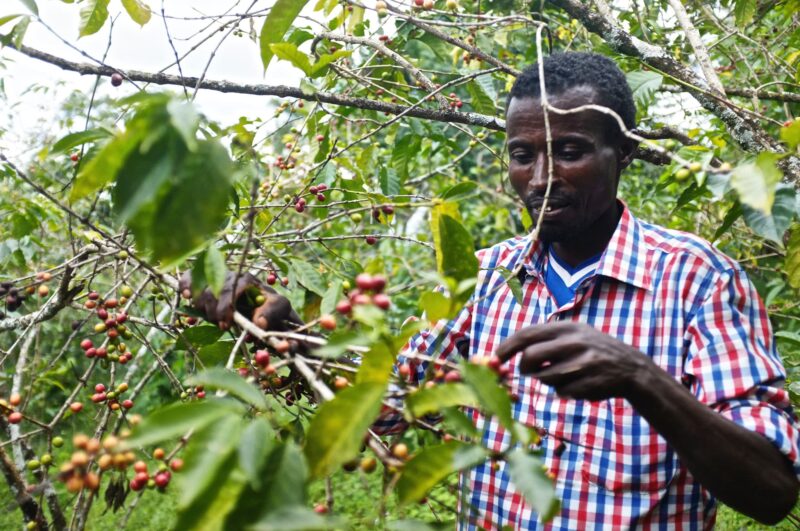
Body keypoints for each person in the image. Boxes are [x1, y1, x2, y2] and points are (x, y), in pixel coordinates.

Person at [185, 52, 800, 529]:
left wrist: (643, 379)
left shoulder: (698, 279)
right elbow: (381, 412)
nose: (541, 178)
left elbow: (771, 491)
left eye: (572, 151)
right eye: (521, 153)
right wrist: (280, 330)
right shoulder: (485, 278)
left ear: (627, 153)